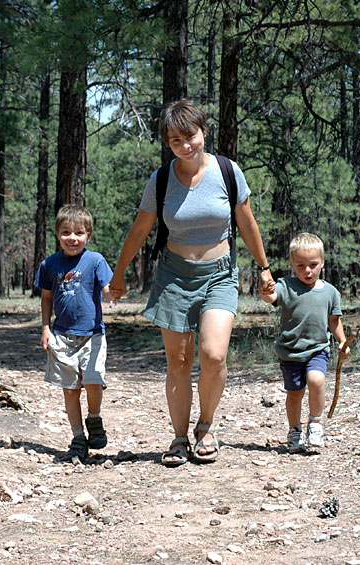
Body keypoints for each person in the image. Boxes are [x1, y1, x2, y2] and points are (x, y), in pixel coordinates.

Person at [110, 99, 275, 466]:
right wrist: (118, 272)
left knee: (213, 355)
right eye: (175, 140)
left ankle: (206, 425)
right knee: (179, 360)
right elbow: (140, 228)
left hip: (219, 274)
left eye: (190, 136)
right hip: (174, 276)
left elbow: (246, 222)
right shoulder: (161, 179)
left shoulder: (228, 171)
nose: (185, 145)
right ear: (167, 143)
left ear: (203, 131)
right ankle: (180, 438)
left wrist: (264, 267)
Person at [35, 205, 113, 462]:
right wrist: (45, 327)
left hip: (93, 334)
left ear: (88, 234)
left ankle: (94, 418)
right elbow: (47, 297)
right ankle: (78, 437)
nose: (72, 238)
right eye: (66, 232)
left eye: (79, 232)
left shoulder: (96, 260)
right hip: (62, 336)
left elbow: (107, 290)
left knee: (93, 380)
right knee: (70, 389)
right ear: (57, 234)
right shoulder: (50, 264)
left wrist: (114, 292)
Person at [260, 233, 350, 453]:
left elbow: (333, 321)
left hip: (318, 349)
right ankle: (294, 430)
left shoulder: (330, 292)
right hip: (290, 352)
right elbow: (272, 297)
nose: (307, 271)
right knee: (295, 393)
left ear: (322, 262)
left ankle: (315, 423)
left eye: (313, 265)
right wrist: (265, 292)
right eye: (300, 266)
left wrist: (342, 341)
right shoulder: (286, 286)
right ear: (293, 264)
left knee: (316, 379)